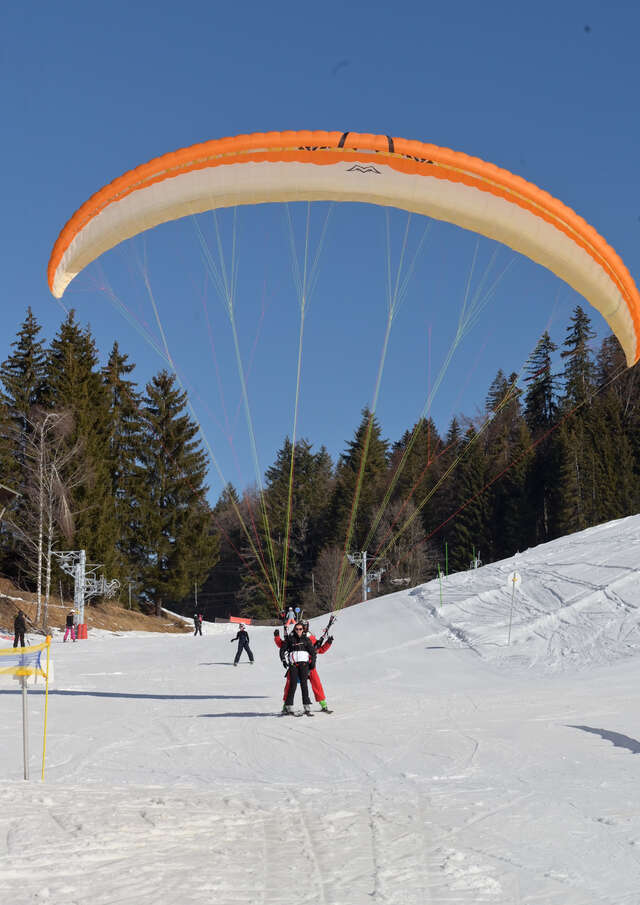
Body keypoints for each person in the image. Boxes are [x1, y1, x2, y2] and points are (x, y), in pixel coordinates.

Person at [274, 622, 334, 712]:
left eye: (304, 626)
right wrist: (277, 637)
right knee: (289, 685)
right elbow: (283, 646)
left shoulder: (310, 637)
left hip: (309, 665)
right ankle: (286, 705)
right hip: (295, 664)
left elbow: (319, 650)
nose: (301, 629)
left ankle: (323, 704)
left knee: (316, 683)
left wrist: (328, 643)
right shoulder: (292, 636)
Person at [279, 622, 317, 715]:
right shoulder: (290, 639)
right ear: (294, 630)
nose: (298, 631)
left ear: (303, 630)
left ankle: (307, 706)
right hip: (293, 665)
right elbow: (282, 649)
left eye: (300, 629)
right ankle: (288, 706)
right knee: (293, 685)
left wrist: (313, 663)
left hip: (304, 665)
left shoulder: (306, 640)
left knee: (304, 685)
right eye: (297, 629)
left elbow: (313, 652)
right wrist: (283, 660)